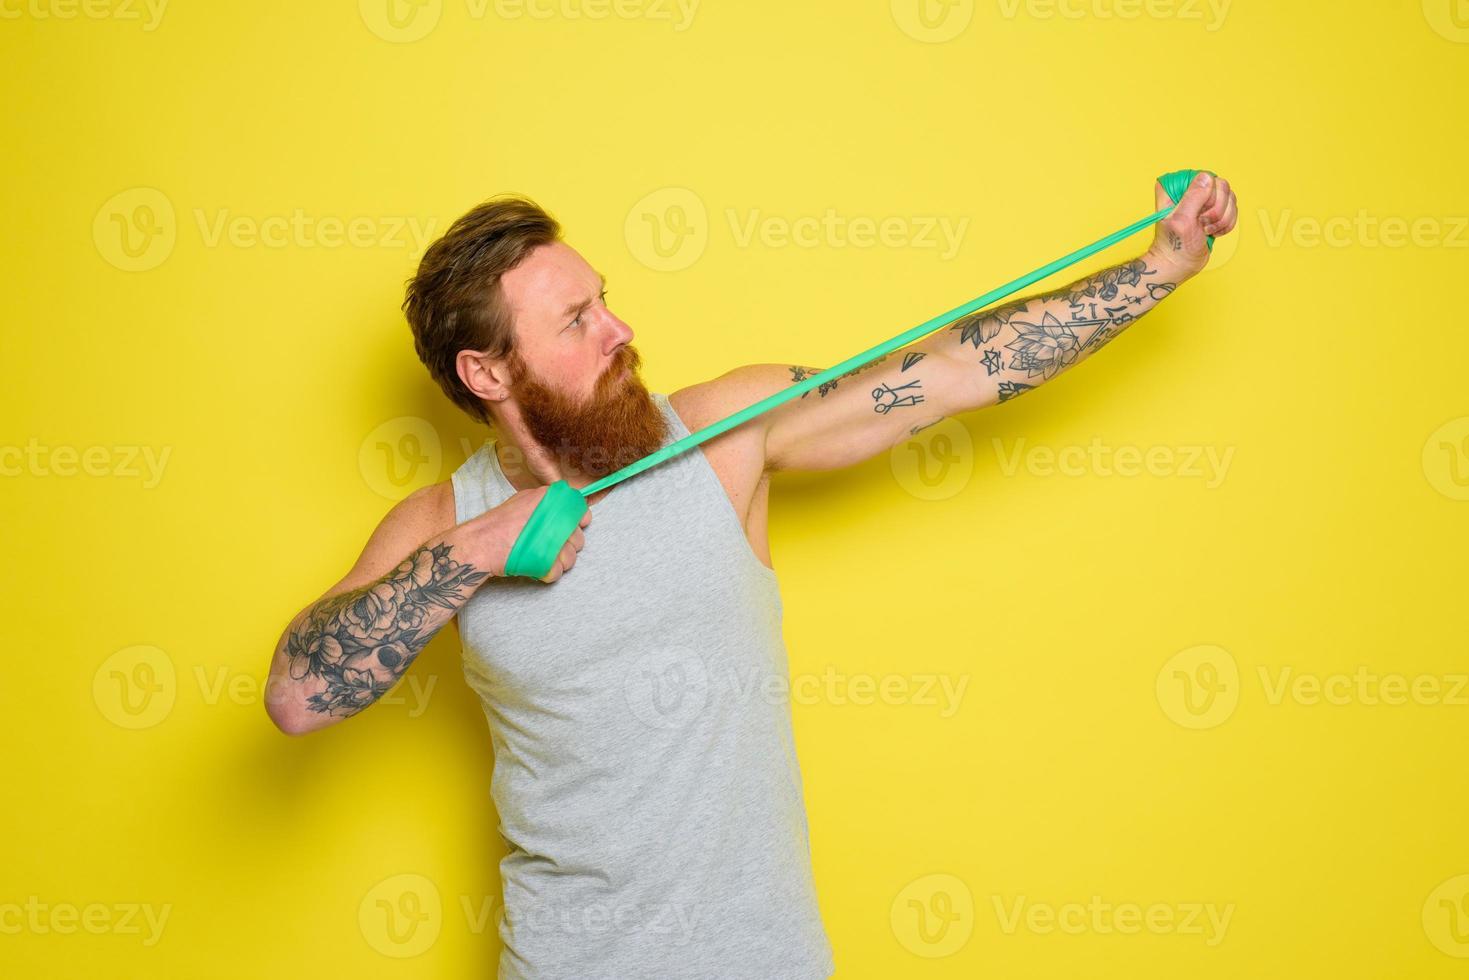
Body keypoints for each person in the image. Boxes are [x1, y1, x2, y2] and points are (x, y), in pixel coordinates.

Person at [264, 171, 1238, 977]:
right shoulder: (441, 524)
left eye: (602, 298)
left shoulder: (721, 438)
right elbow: (300, 696)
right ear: (487, 374)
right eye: (575, 321)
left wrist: (1158, 266)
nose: (618, 329)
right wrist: (474, 550)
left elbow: (954, 370)